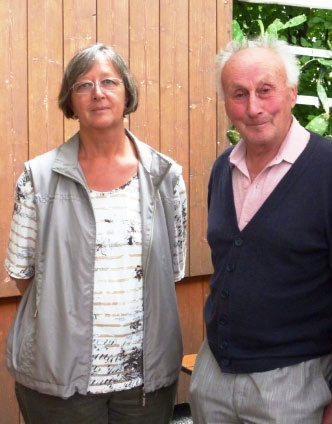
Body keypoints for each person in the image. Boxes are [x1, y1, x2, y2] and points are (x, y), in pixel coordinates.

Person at [189, 35, 332, 424]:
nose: (253, 108)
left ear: (292, 93)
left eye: (265, 90)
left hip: (294, 384)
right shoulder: (223, 169)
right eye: (239, 94)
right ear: (225, 102)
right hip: (214, 373)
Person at [4, 44, 187, 423]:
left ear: (127, 92)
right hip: (60, 384)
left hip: (144, 385)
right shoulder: (38, 179)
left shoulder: (166, 177)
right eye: (84, 85)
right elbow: (24, 275)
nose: (98, 93)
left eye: (109, 82)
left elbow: (171, 270)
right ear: (70, 100)